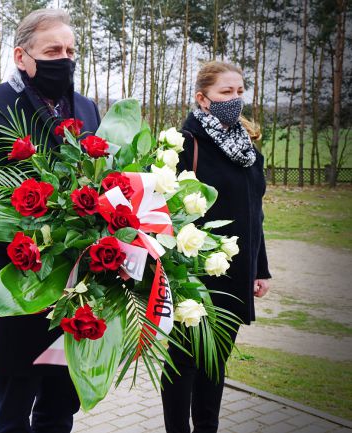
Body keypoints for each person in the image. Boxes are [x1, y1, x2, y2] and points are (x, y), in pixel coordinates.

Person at [0, 8, 101, 433]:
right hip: (20, 279)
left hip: (78, 284)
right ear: (22, 56)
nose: (65, 57)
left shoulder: (88, 108)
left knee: (61, 406)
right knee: (14, 407)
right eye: (53, 49)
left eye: (71, 50)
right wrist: (52, 218)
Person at [161, 61, 271, 433]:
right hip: (192, 272)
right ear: (202, 99)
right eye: (226, 92)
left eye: (239, 92)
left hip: (234, 271)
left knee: (216, 359)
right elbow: (164, 213)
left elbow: (254, 213)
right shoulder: (184, 143)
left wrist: (260, 268)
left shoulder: (248, 149)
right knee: (185, 359)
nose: (235, 99)